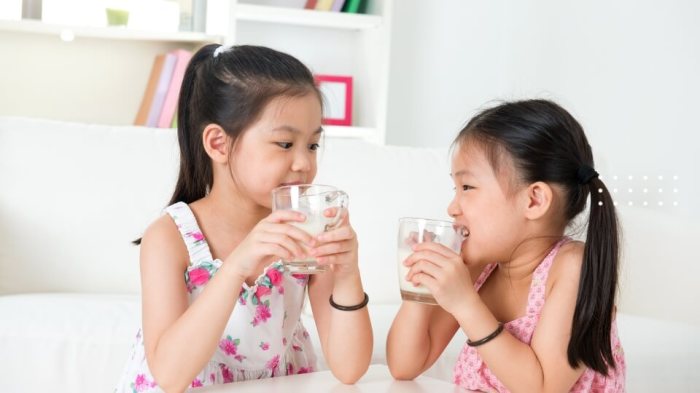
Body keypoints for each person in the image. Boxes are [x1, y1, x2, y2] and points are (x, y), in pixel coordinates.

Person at [115, 44, 372, 392]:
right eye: (285, 144)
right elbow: (171, 376)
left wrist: (347, 274)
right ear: (219, 144)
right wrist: (236, 266)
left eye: (312, 145)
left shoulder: (305, 232)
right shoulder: (170, 237)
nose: (304, 163)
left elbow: (350, 368)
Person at [386, 99, 625, 392]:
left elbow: (543, 387)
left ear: (534, 200)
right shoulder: (478, 267)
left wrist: (465, 303)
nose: (452, 207)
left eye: (468, 188)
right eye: (455, 189)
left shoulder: (572, 267)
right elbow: (404, 365)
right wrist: (420, 290)